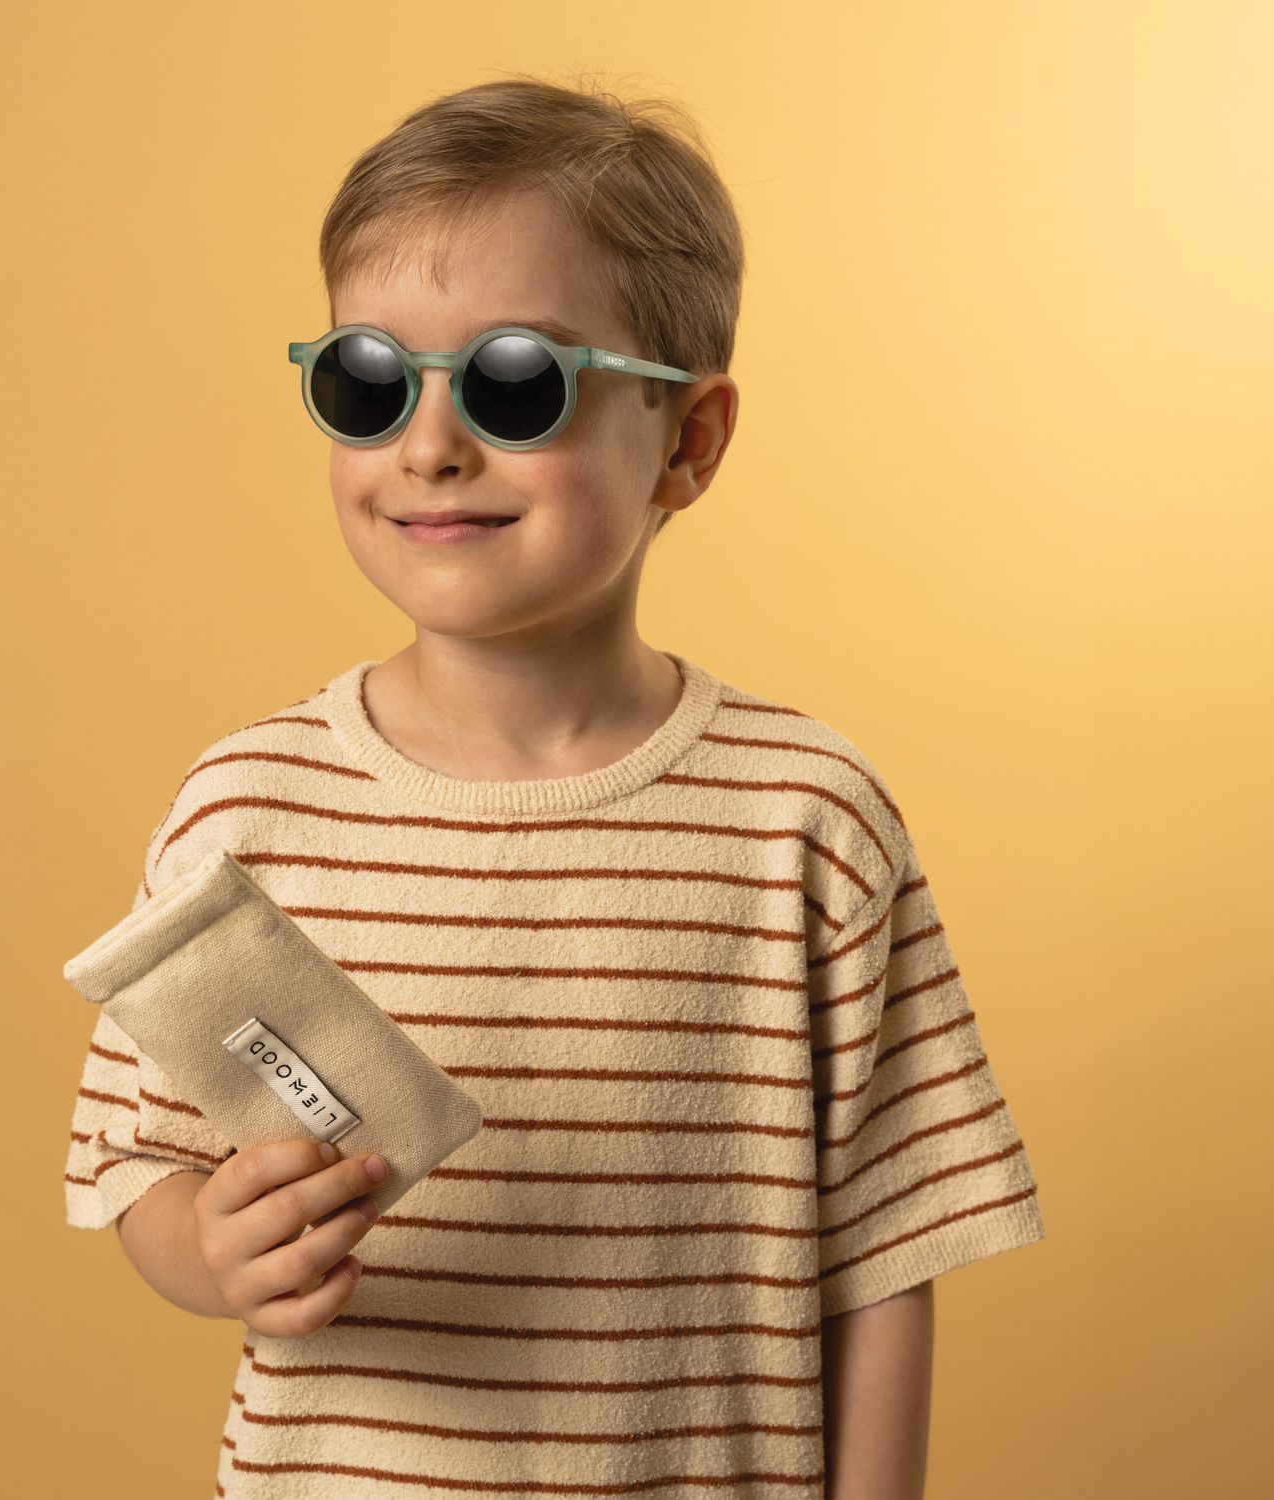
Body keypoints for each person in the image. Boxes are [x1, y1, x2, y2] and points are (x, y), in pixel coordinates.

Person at [62, 71, 1045, 1500]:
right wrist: (214, 1247)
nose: (431, 443)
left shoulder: (806, 822)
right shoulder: (250, 807)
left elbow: (889, 1250)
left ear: (689, 443)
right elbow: (135, 1162)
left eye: (518, 381)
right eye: (369, 378)